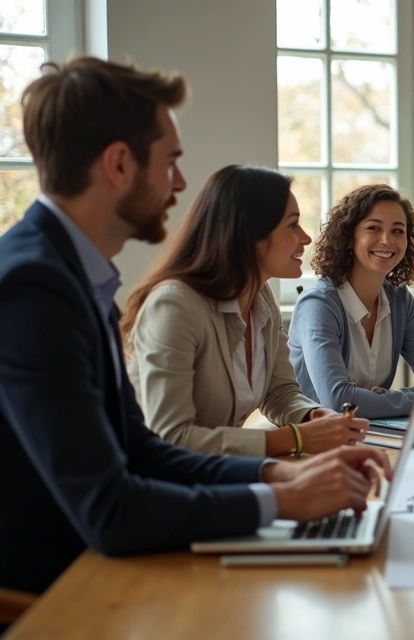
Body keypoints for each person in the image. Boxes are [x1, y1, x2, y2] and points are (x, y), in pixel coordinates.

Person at [0, 57, 390, 603]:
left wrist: (281, 478)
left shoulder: (71, 276)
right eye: (170, 162)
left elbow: (140, 449)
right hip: (63, 591)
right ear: (118, 164)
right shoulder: (33, 288)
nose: (180, 182)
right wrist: (282, 499)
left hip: (106, 562)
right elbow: (111, 508)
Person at [123, 165, 369, 456]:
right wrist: (296, 439)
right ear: (249, 234)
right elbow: (170, 437)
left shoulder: (260, 297)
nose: (306, 238)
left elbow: (280, 391)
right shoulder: (174, 306)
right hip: (154, 485)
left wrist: (313, 416)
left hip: (211, 474)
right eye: (292, 225)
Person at [289, 184, 414, 418]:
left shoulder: (400, 300)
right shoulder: (318, 305)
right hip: (313, 440)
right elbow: (338, 400)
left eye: (398, 231)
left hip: (371, 432)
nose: (387, 240)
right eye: (373, 228)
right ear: (349, 237)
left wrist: (380, 401)